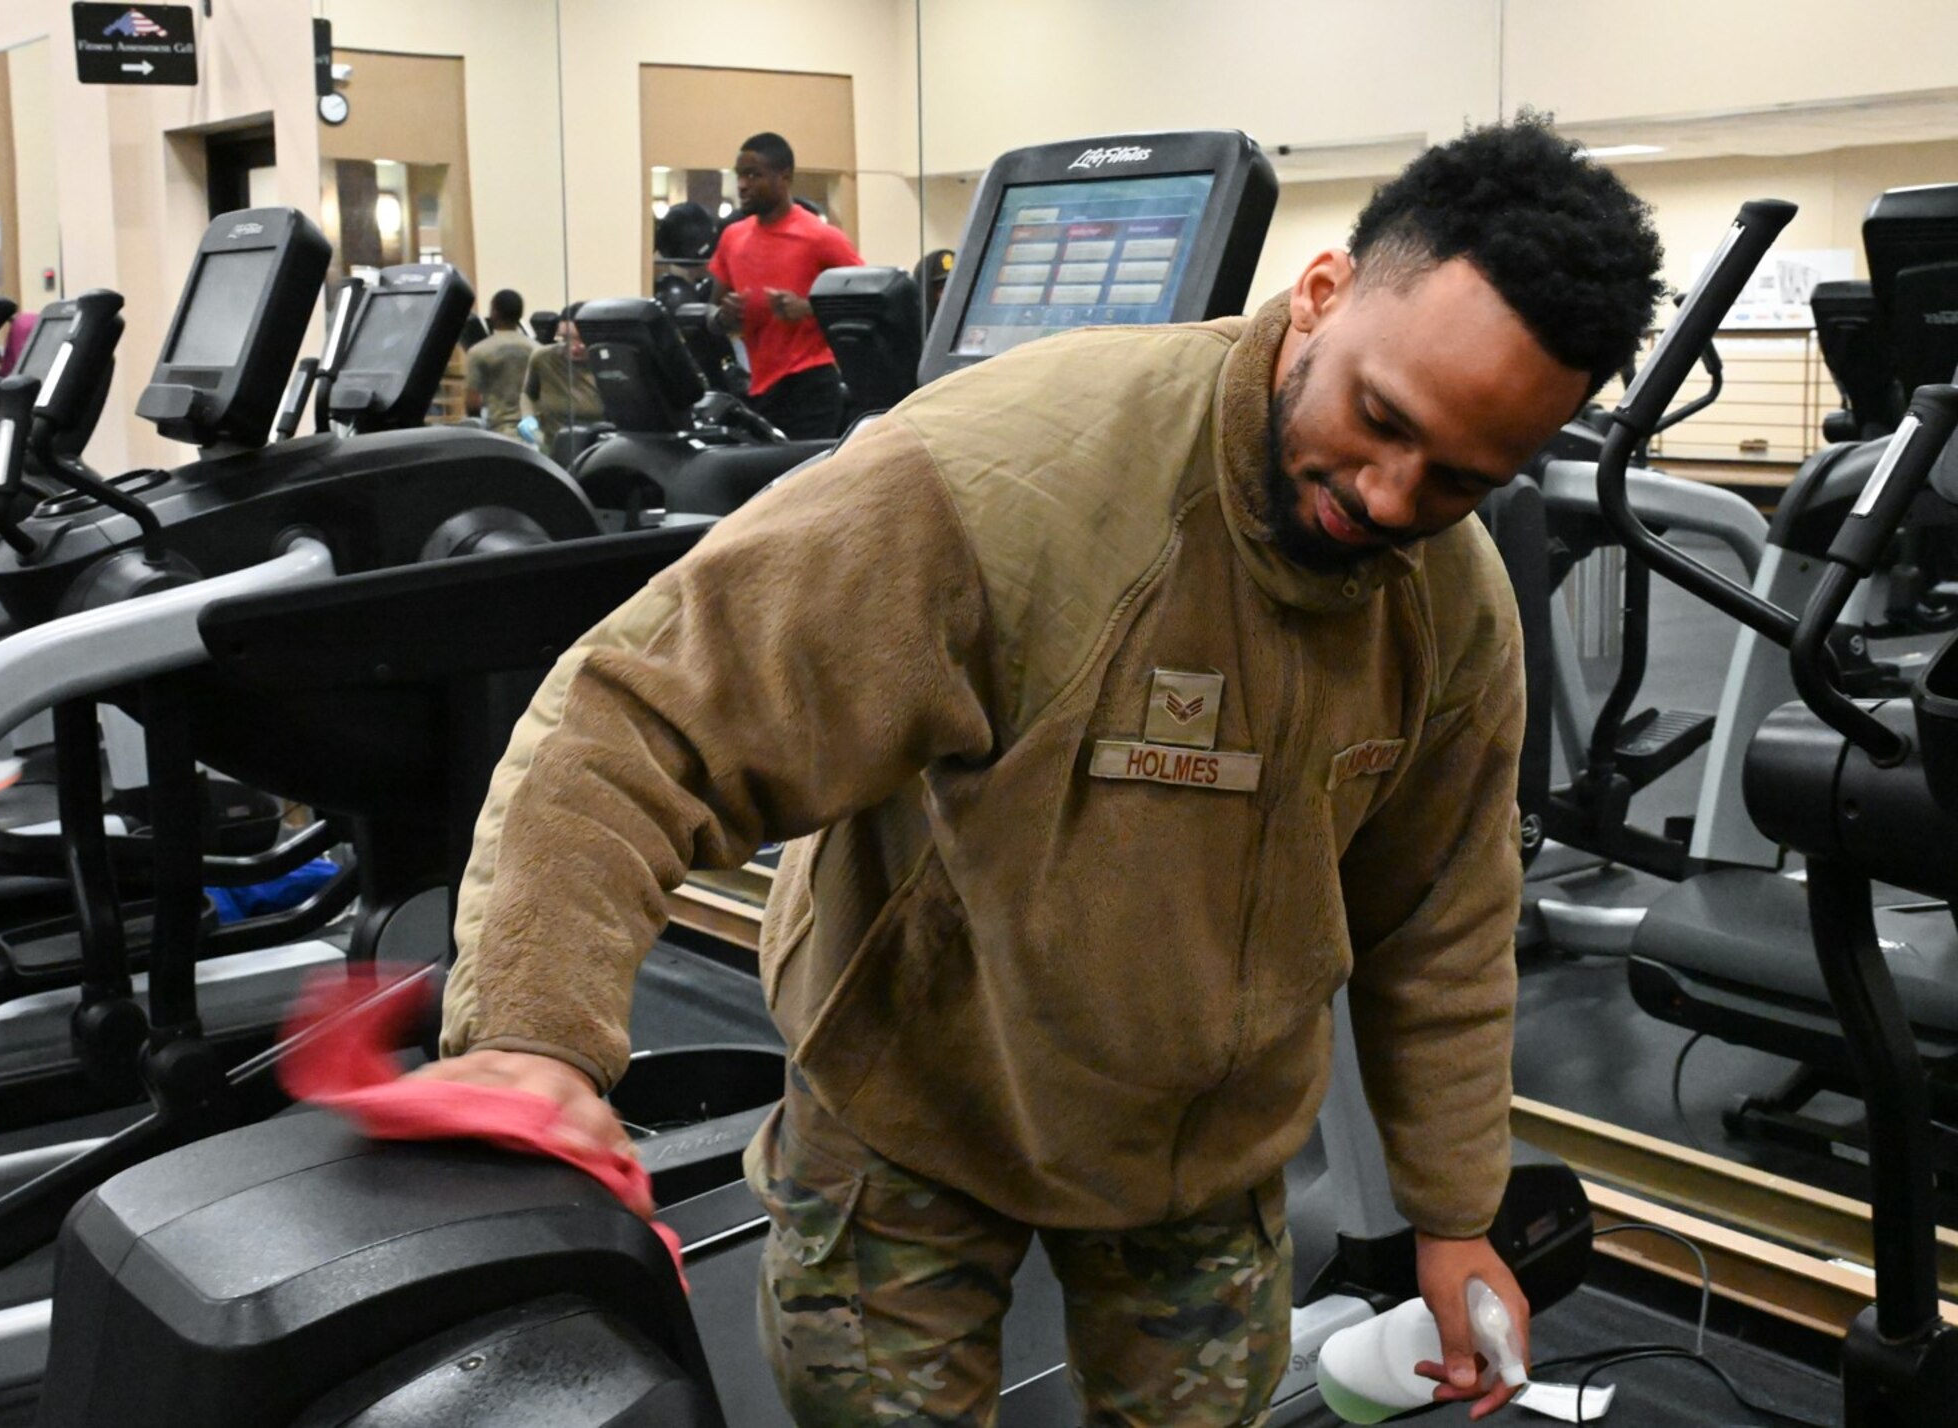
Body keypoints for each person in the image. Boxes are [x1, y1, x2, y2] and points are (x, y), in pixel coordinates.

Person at [427, 115, 1663, 1426]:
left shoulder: (1449, 607)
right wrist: (532, 1035)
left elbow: (1440, 921)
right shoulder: (1004, 484)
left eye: (1461, 479)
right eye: (1378, 419)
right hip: (909, 1118)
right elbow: (634, 722)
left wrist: (1456, 1215)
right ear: (1319, 296)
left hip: (1200, 1153)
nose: (1395, 497)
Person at [708, 131, 864, 439]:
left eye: (753, 175)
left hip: (810, 384)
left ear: (784, 177)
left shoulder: (819, 236)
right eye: (739, 175)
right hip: (757, 386)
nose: (742, 185)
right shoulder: (732, 238)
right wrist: (724, 317)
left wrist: (807, 307)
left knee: (802, 483)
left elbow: (863, 300)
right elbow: (713, 313)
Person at [520, 300, 602, 455]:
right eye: (565, 339)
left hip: (595, 448)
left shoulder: (604, 362)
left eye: (580, 339)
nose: (573, 347)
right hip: (552, 446)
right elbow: (528, 394)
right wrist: (527, 417)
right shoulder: (543, 358)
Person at [465, 289, 538, 437]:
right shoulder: (538, 349)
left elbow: (472, 402)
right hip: (534, 431)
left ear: (494, 311)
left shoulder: (479, 352)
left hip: (499, 432)